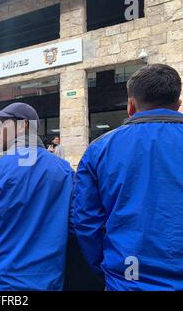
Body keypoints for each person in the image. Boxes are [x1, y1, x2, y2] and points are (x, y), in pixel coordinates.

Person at [73, 64, 183, 291]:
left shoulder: (99, 150)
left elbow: (85, 223)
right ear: (178, 104)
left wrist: (105, 268)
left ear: (131, 105)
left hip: (126, 280)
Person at [0, 102, 74, 291]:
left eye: (2, 123)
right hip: (47, 282)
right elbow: (75, 225)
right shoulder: (65, 170)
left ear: (23, 125)